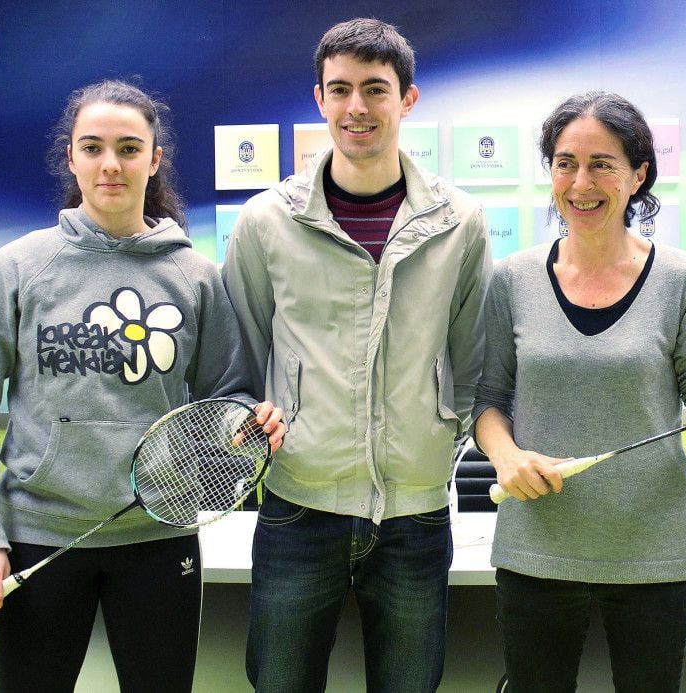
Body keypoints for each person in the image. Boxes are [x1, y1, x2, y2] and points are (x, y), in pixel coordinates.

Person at [0, 79, 286, 693]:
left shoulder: (196, 276)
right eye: (93, 147)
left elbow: (230, 393)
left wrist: (244, 426)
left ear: (154, 160)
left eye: (129, 148)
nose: (111, 164)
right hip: (36, 538)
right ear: (70, 156)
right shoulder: (18, 268)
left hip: (157, 537)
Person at [221, 18, 491, 692]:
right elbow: (238, 364)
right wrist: (249, 425)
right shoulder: (265, 222)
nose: (356, 108)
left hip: (414, 512)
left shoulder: (459, 221)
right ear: (318, 98)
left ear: (408, 100)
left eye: (375, 89)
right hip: (296, 505)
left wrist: (429, 442)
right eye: (340, 89)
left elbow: (473, 359)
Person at [473, 91, 686, 693]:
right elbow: (486, 400)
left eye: (602, 164)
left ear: (638, 175)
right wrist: (507, 458)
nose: (580, 182)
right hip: (535, 546)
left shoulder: (680, 279)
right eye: (565, 163)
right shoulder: (512, 278)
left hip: (652, 551)